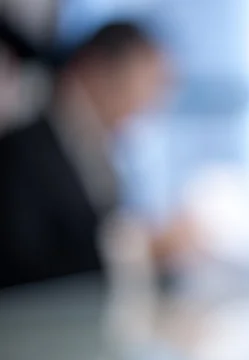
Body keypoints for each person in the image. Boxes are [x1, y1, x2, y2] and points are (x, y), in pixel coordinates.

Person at [0, 22, 183, 288]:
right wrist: (139, 251)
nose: (147, 102)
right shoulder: (23, 151)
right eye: (144, 83)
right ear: (99, 71)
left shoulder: (99, 150)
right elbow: (27, 264)